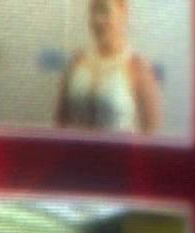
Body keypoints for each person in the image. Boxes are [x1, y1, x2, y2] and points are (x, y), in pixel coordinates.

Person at [56, 0, 162, 136]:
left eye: (104, 11)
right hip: (73, 149)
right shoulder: (76, 62)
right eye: (93, 11)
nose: (97, 20)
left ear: (123, 13)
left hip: (119, 149)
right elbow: (59, 125)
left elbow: (151, 134)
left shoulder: (137, 67)